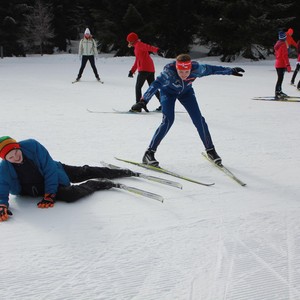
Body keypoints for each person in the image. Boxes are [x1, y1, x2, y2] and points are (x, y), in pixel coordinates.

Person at [130, 54, 245, 167]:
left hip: (186, 93)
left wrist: (230, 71)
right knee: (168, 120)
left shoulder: (197, 69)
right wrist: (144, 100)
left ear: (190, 69)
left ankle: (210, 151)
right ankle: (149, 153)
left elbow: (212, 69)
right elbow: (155, 84)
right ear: (177, 68)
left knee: (199, 120)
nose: (184, 75)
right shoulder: (168, 72)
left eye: (186, 72)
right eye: (181, 72)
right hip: (168, 93)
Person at [0, 136, 136, 222]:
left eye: (16, 152)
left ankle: (121, 172)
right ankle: (97, 184)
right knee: (70, 195)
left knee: (84, 172)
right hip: (38, 189)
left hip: (55, 172)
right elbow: (2, 187)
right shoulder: (4, 168)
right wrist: (2, 206)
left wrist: (50, 195)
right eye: (10, 157)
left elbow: (49, 169)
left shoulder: (32, 146)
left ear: (18, 147)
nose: (16, 158)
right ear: (5, 159)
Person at [127, 32, 164, 111]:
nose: (128, 42)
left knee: (138, 87)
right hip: (150, 68)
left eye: (129, 41)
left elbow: (148, 47)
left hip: (144, 69)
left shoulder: (139, 45)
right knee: (153, 87)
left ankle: (138, 106)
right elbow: (138, 60)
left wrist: (157, 50)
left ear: (132, 41)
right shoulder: (137, 46)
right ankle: (164, 104)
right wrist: (132, 70)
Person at [274, 31, 291, 99]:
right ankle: (278, 92)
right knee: (280, 79)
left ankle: (279, 91)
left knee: (280, 79)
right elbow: (285, 56)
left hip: (278, 64)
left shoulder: (277, 44)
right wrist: (288, 65)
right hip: (281, 64)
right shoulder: (283, 45)